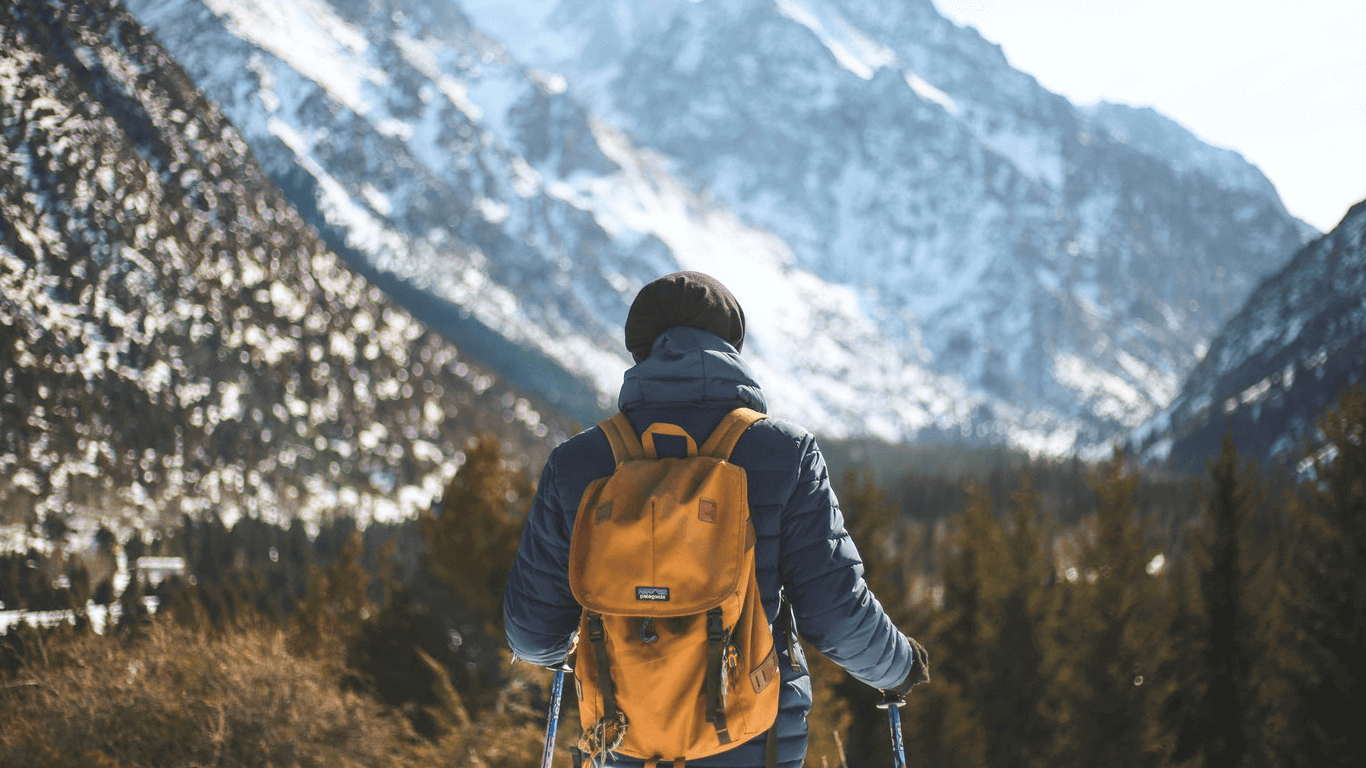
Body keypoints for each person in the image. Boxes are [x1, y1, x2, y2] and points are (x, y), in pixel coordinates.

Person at [504, 271, 929, 767]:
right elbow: (835, 613)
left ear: (640, 351)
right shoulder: (784, 454)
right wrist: (898, 667)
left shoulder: (579, 463)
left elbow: (532, 634)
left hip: (622, 743)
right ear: (731, 348)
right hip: (751, 742)